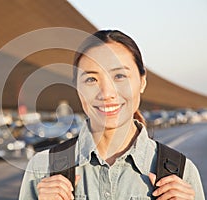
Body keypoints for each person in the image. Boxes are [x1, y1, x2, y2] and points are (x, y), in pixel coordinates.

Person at [19, 30, 205, 199]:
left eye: (119, 76)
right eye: (91, 79)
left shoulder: (180, 173)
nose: (106, 93)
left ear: (142, 81)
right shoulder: (43, 170)